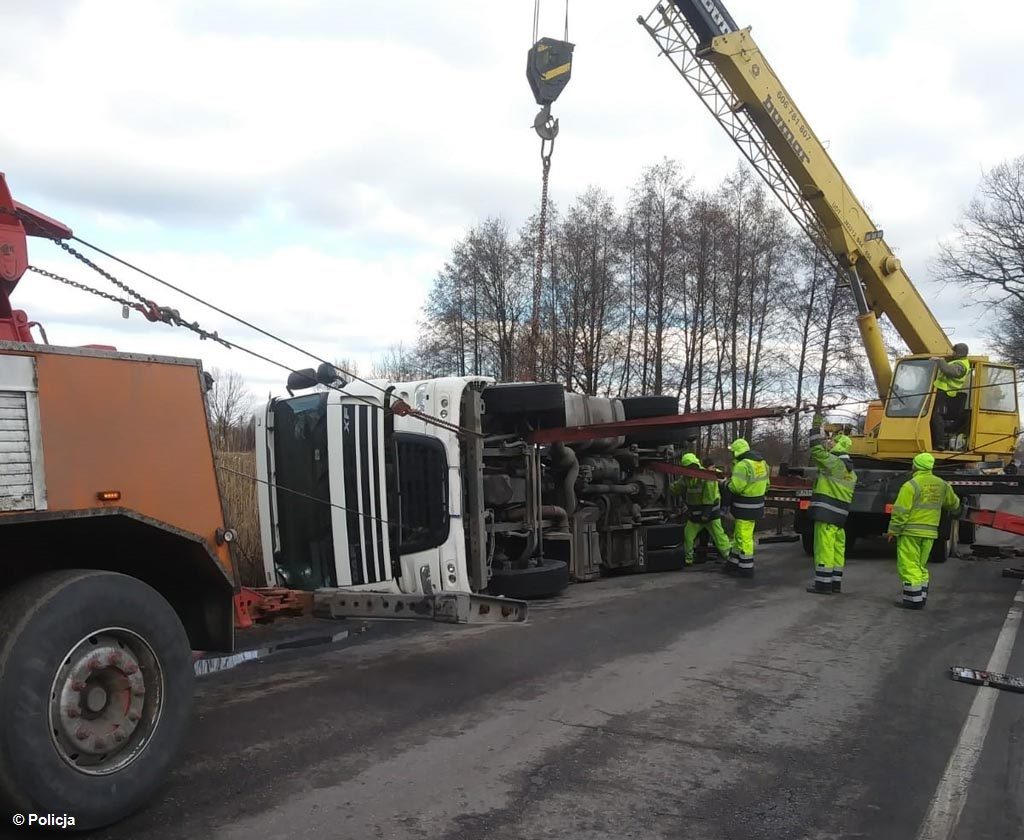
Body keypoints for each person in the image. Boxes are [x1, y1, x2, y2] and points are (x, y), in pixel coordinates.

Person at [886, 452, 962, 609]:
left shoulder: (911, 485)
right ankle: (921, 596)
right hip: (930, 532)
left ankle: (913, 601)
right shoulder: (942, 484)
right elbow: (954, 504)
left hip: (910, 532)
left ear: (915, 466)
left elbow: (900, 511)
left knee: (909, 565)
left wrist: (893, 530)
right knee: (920, 565)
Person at [805, 418, 857, 595]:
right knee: (837, 548)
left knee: (824, 548)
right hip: (840, 516)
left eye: (833, 441)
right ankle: (835, 582)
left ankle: (823, 584)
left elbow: (817, 452)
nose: (830, 442)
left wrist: (815, 430)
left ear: (838, 446)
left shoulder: (835, 464)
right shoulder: (850, 472)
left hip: (826, 514)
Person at [670, 452, 732, 567]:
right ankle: (688, 559)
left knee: (720, 538)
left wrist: (706, 514)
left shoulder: (706, 476)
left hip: (709, 515)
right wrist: (671, 488)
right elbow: (676, 488)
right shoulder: (686, 478)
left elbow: (710, 497)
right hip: (697, 516)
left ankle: (730, 558)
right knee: (688, 538)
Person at [723, 438, 769, 578]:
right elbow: (767, 485)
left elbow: (736, 487)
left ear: (737, 452)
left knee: (744, 538)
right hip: (757, 505)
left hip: (744, 507)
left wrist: (725, 484)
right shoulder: (762, 463)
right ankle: (733, 563)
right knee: (740, 535)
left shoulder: (742, 465)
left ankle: (746, 568)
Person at [929, 343, 970, 451]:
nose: (953, 353)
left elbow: (949, 371)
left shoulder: (961, 365)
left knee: (936, 416)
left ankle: (940, 443)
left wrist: (940, 361)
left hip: (946, 393)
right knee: (935, 416)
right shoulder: (957, 362)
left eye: (955, 351)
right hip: (942, 392)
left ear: (959, 352)